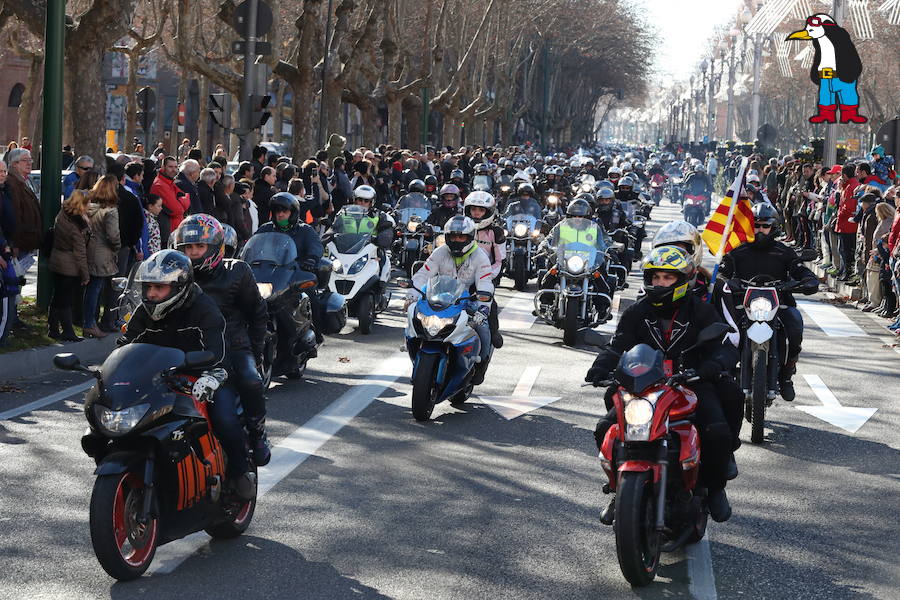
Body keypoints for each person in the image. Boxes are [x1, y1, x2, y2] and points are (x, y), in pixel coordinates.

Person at [586, 246, 737, 523]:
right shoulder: (636, 311)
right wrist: (600, 367)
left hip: (690, 383)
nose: (660, 283)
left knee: (716, 430)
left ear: (683, 279)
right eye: (655, 278)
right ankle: (619, 490)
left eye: (667, 278)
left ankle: (715, 488)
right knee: (606, 427)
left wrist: (708, 368)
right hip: (643, 387)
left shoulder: (701, 310)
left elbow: (725, 348)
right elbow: (618, 345)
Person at [119, 249, 256, 499]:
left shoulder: (204, 308)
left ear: (179, 286)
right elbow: (125, 346)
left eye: (159, 287)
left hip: (207, 377)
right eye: (148, 287)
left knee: (225, 419)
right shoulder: (143, 311)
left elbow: (219, 354)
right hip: (159, 377)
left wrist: (211, 377)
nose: (151, 294)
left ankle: (240, 471)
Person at [172, 214, 271, 466]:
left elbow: (258, 315)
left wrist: (256, 355)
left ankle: (257, 434)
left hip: (232, 346)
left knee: (250, 380)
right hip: (185, 349)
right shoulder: (173, 274)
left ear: (215, 247)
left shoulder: (237, 271)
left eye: (199, 246)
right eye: (187, 247)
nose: (193, 253)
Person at [718, 203, 819, 401]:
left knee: (795, 324)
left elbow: (799, 269)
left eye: (765, 226)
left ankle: (787, 373)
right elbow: (722, 272)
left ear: (773, 227)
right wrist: (726, 280)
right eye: (756, 225)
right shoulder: (737, 251)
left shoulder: (784, 252)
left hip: (778, 305)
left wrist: (808, 279)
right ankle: (725, 373)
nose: (761, 230)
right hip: (743, 305)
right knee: (722, 330)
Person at [410, 215, 495, 383]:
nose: (457, 240)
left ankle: (481, 363)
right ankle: (416, 357)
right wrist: (412, 293)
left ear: (470, 237)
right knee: (413, 319)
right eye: (453, 236)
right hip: (439, 298)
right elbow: (423, 274)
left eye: (461, 236)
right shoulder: (440, 252)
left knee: (484, 328)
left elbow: (485, 283)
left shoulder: (480, 256)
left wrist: (483, 307)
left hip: (468, 302)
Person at [48, 189, 92, 342]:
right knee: (65, 300)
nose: (90, 206)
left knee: (58, 297)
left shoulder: (63, 214)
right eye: (88, 203)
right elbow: (80, 252)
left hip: (57, 260)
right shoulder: (77, 225)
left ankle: (53, 328)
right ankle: (67, 330)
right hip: (69, 265)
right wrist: (85, 275)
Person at [463, 191, 505, 348]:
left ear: (488, 212)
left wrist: (487, 276)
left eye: (480, 210)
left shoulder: (496, 232)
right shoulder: (461, 227)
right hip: (459, 275)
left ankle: (494, 332)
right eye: (473, 209)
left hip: (484, 277)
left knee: (490, 305)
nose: (477, 213)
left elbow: (500, 260)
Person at [83, 175, 122, 339]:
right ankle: (90, 323)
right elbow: (113, 235)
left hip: (87, 249)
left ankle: (89, 321)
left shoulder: (88, 206)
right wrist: (117, 247)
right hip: (102, 251)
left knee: (90, 288)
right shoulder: (111, 211)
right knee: (96, 288)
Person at [150, 156, 191, 231]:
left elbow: (186, 199)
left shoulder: (169, 182)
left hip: (175, 228)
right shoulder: (160, 185)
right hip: (168, 231)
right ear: (163, 167)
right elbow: (178, 210)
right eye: (170, 167)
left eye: (175, 167)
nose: (174, 170)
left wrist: (183, 200)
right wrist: (183, 200)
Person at [139, 193, 163, 258]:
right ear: (150, 206)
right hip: (150, 256)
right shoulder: (148, 221)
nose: (161, 208)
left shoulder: (152, 218)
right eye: (159, 206)